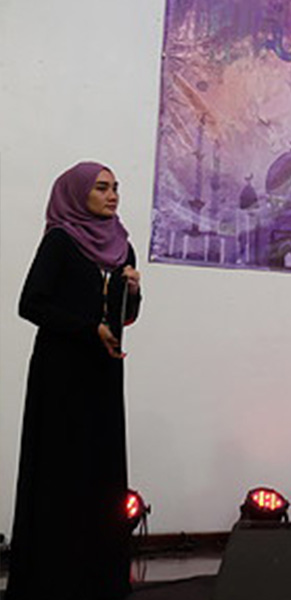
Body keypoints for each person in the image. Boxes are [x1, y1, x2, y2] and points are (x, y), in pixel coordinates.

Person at [7, 162, 141, 600]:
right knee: (60, 472)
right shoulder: (61, 241)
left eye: (115, 188)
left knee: (99, 475)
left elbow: (125, 317)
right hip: (61, 373)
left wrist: (133, 294)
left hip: (103, 372)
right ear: (77, 193)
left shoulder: (122, 247)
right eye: (101, 188)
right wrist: (87, 330)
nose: (112, 195)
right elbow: (31, 304)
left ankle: (98, 581)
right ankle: (51, 581)